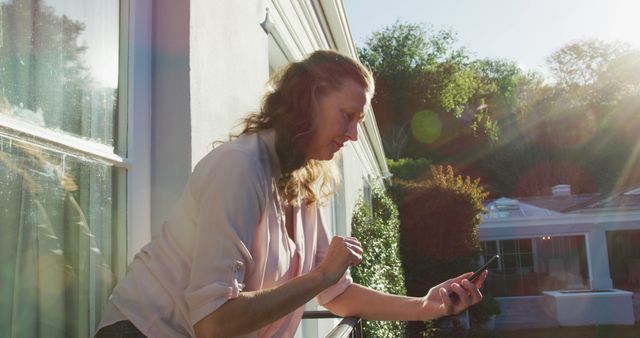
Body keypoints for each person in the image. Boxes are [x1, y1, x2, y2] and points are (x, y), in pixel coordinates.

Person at [95, 50, 487, 338]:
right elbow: (213, 322)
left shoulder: (302, 183)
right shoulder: (240, 167)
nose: (353, 135)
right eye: (347, 116)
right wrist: (321, 275)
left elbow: (339, 293)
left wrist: (426, 305)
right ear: (307, 102)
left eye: (358, 122)